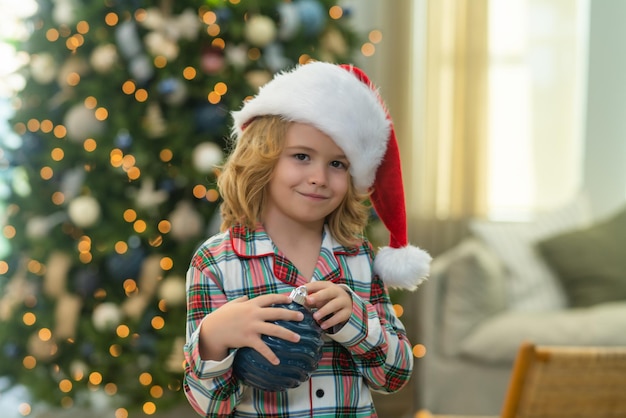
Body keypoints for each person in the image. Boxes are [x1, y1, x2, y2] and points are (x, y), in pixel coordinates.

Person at [183, 61, 431, 417]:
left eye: (337, 164)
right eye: (301, 156)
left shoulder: (358, 257)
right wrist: (213, 337)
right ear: (261, 160)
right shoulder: (216, 263)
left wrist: (356, 322)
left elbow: (395, 375)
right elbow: (212, 408)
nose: (319, 177)